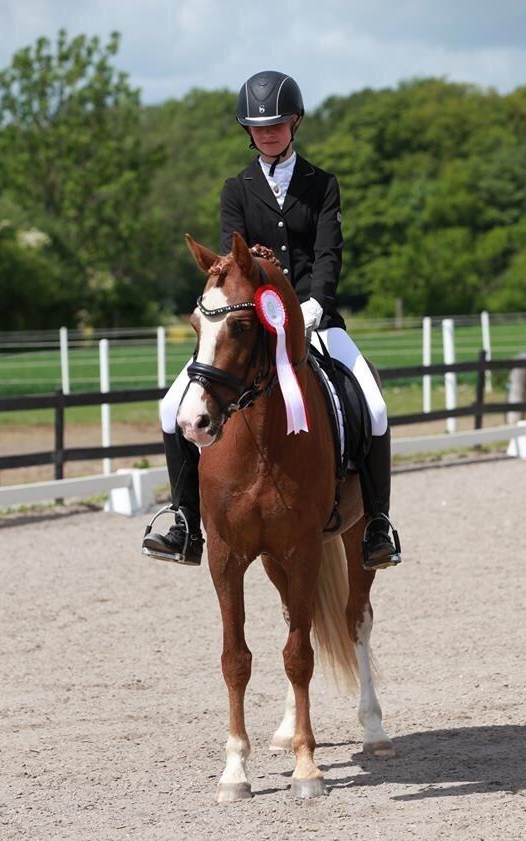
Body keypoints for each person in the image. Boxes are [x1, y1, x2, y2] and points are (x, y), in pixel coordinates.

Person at [142, 70, 401, 571]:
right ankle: (185, 522)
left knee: (373, 405)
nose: (268, 134)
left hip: (316, 318)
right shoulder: (236, 189)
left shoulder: (322, 185)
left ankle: (376, 524)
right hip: (250, 324)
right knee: (173, 406)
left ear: (294, 123)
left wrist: (314, 304)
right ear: (248, 131)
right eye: (259, 127)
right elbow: (232, 262)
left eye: (277, 125)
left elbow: (328, 253)